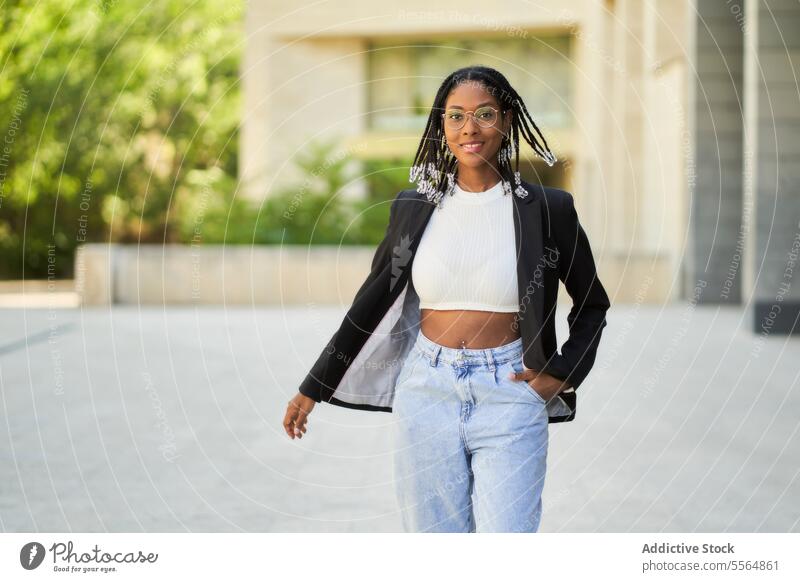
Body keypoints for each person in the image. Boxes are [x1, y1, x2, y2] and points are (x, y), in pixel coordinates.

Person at [283, 65, 611, 532]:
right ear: (441, 126)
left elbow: (592, 303)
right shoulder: (413, 206)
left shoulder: (549, 210)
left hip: (512, 390)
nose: (469, 128)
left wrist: (561, 374)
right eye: (455, 116)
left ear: (507, 120)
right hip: (427, 390)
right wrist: (315, 385)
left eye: (484, 113)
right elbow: (371, 301)